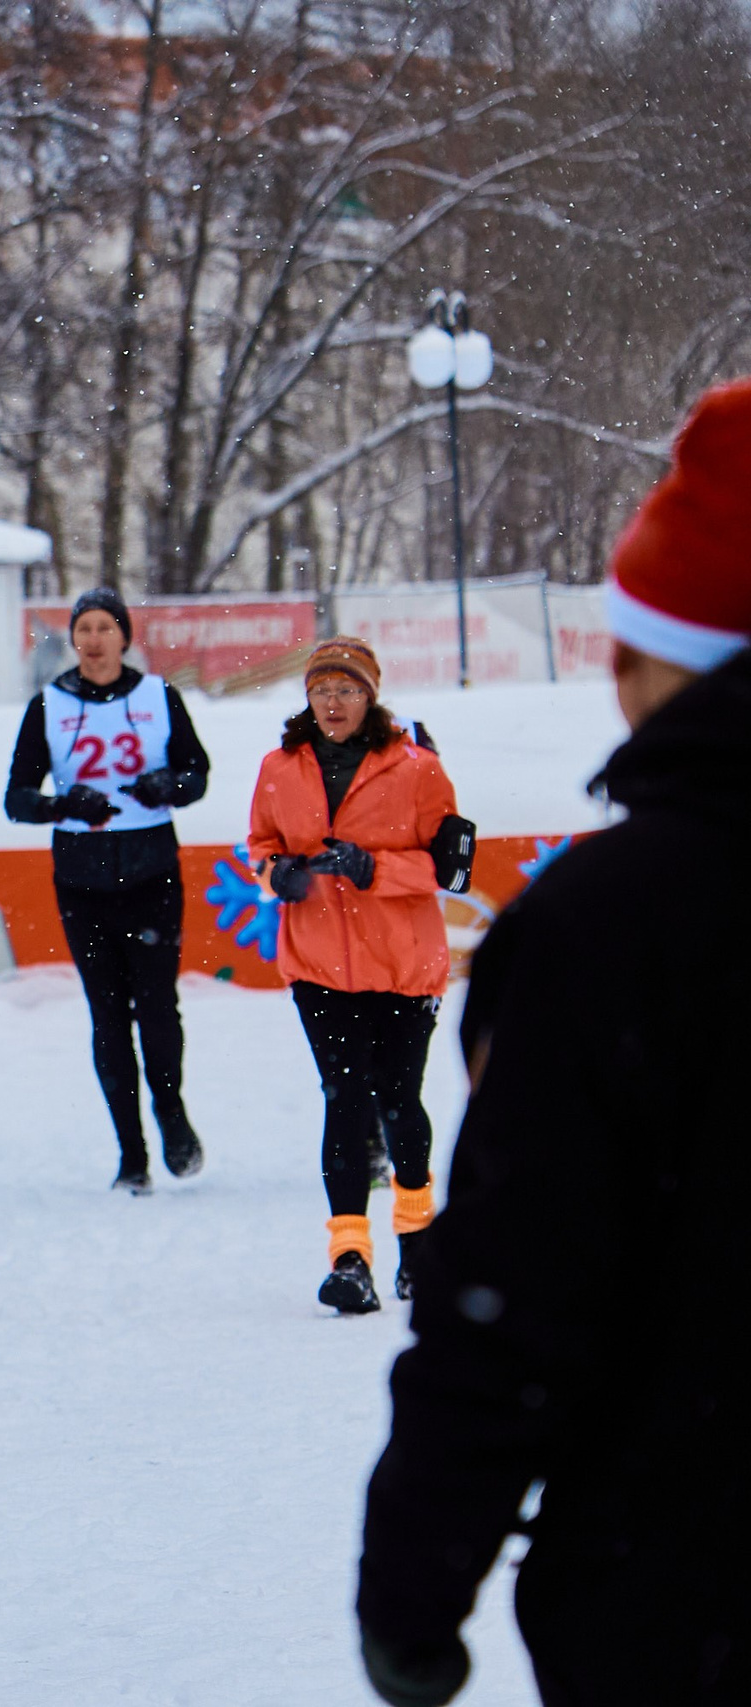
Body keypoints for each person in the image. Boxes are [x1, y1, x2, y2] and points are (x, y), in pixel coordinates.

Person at [354, 379, 751, 1707]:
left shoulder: (617, 927)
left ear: (649, 661)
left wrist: (414, 1582)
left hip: (688, 1588)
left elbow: (513, 1291)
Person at [247, 637, 463, 1315]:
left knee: (399, 1099)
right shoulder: (279, 766)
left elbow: (449, 868)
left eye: (345, 690)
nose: (332, 703)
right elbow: (259, 844)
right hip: (319, 964)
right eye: (320, 691)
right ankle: (349, 1258)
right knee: (343, 1099)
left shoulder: (418, 768)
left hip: (403, 963)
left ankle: (418, 1241)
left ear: (370, 695)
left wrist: (377, 868)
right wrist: (274, 873)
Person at [3, 588, 211, 1190]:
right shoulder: (49, 704)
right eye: (84, 629)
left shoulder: (157, 696)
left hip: (152, 874)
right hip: (82, 880)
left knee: (157, 1004)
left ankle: (171, 1113)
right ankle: (132, 1154)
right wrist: (64, 803)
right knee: (108, 1016)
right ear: (74, 639)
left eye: (105, 628)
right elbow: (16, 797)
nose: (94, 640)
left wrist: (167, 784)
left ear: (124, 636)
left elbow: (198, 773)